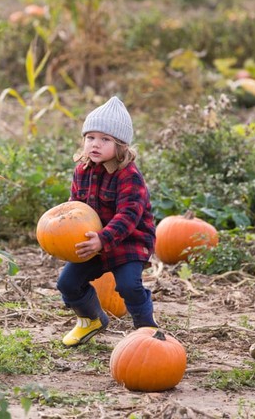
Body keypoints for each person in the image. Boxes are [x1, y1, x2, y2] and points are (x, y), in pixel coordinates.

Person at [56, 96, 158, 347]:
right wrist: (63, 235)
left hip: (128, 241)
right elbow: (76, 207)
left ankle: (147, 330)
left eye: (105, 139)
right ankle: (91, 319)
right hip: (93, 241)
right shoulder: (82, 170)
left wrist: (104, 239)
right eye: (91, 137)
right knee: (67, 283)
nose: (96, 144)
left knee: (128, 285)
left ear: (121, 145)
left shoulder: (129, 175)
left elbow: (128, 216)